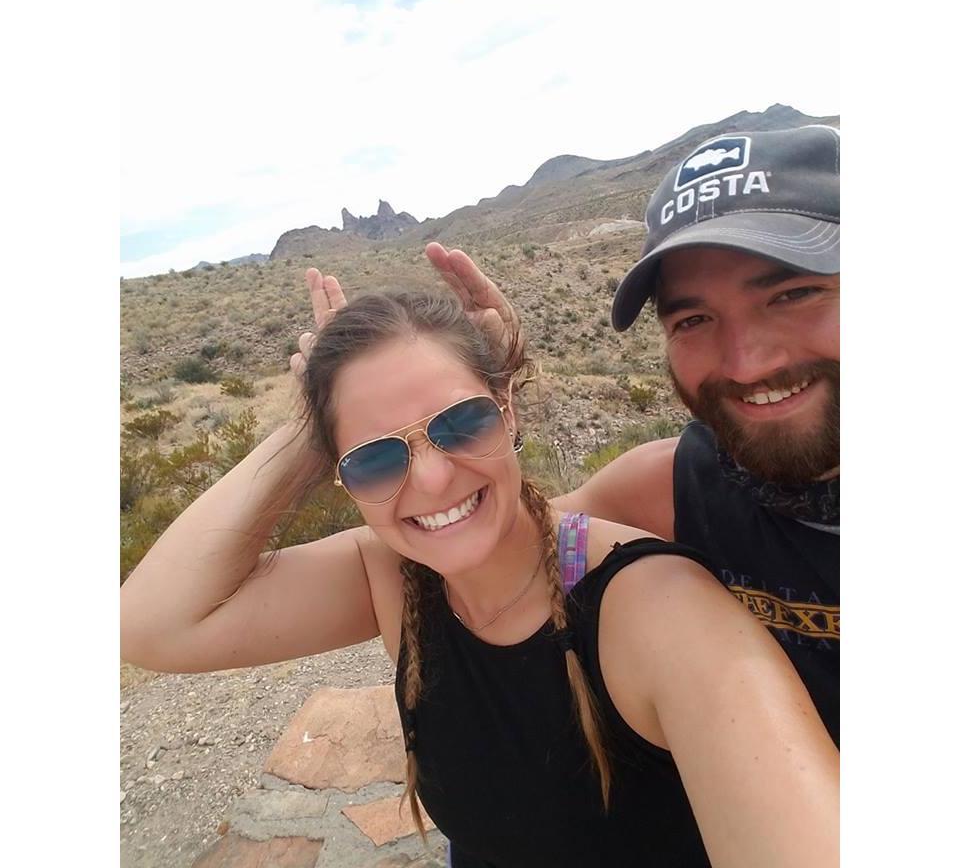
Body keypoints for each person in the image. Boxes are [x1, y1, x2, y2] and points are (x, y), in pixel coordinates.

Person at [120, 289, 838, 868]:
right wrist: (310, 419)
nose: (431, 479)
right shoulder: (393, 574)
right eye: (374, 458)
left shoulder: (655, 609)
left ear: (509, 408)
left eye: (462, 423)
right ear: (338, 477)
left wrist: (345, 423)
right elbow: (154, 625)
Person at [424, 123, 841, 745]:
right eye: (694, 318)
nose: (747, 363)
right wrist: (476, 398)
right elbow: (491, 551)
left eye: (794, 293)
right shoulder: (676, 487)